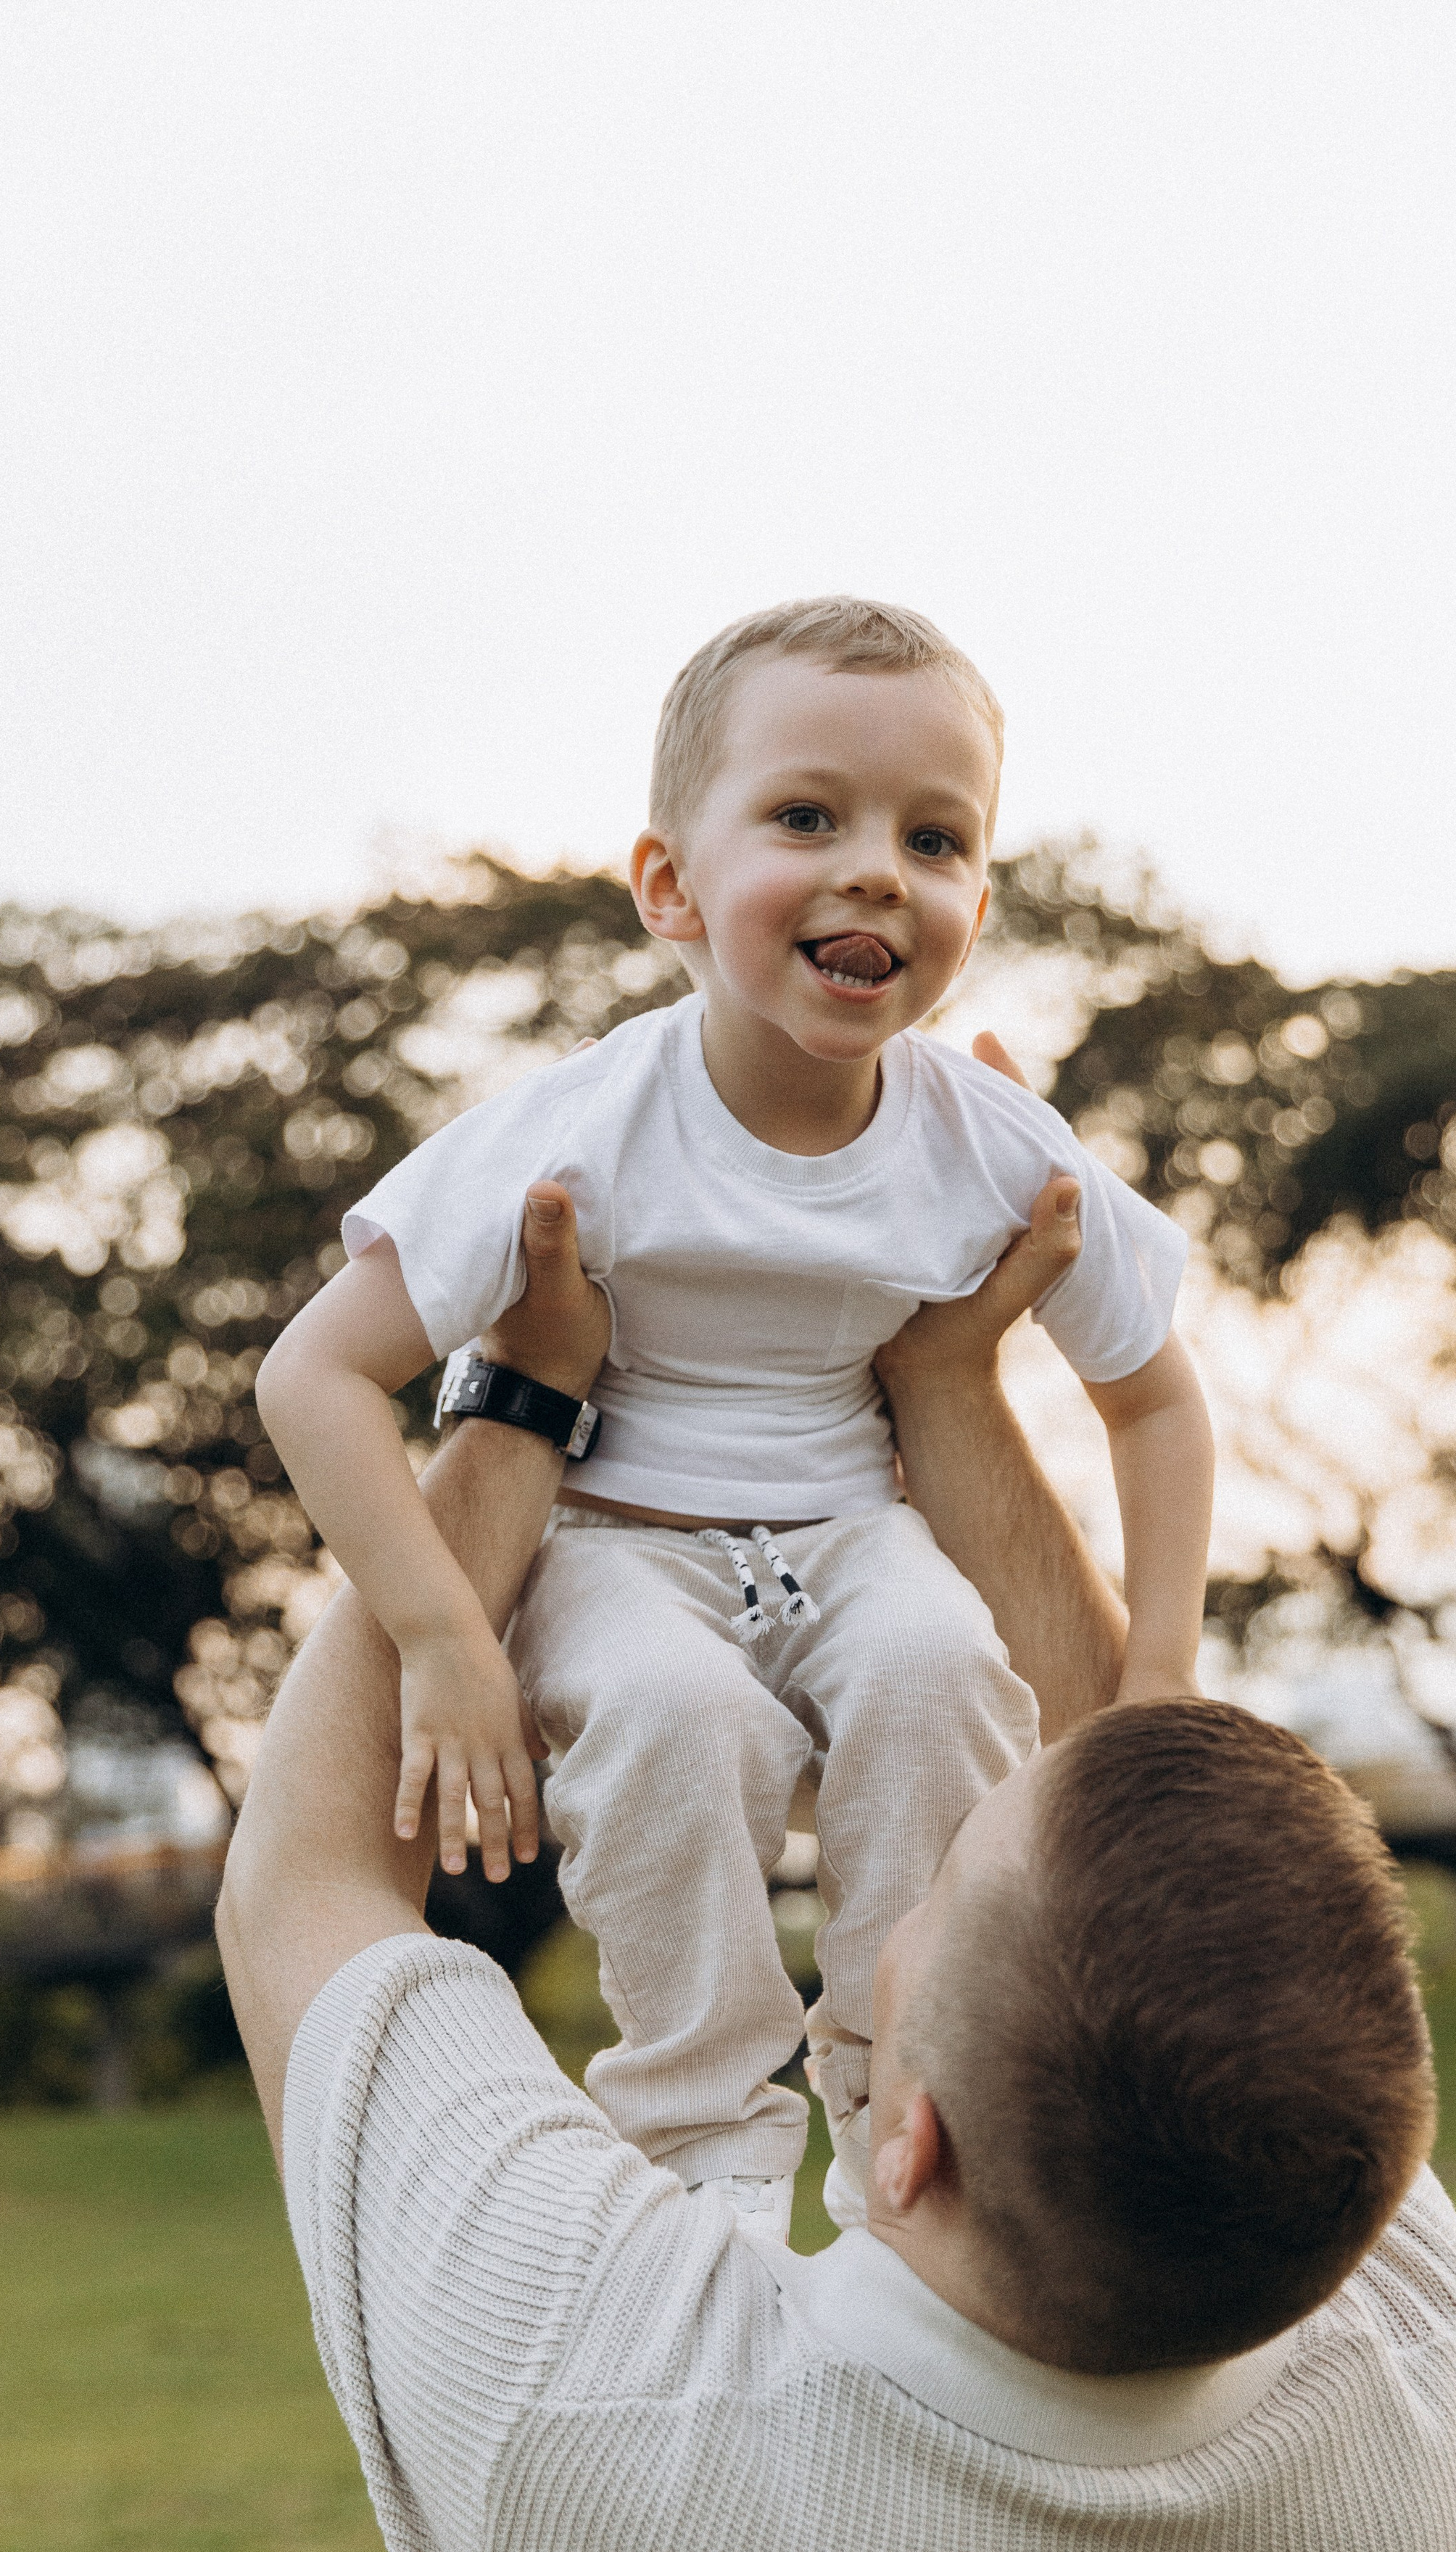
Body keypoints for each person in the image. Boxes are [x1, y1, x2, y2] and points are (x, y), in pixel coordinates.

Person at [218, 1186, 1456, 2552]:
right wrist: (946, 1386)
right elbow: (1153, 1833)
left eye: (935, 1891)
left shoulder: (599, 2391)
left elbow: (311, 1883)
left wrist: (524, 1394)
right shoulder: (1409, 2358)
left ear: (906, 2143)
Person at [254, 596, 1215, 2239]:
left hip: (856, 1534)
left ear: (973, 906)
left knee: (937, 1675)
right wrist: (442, 1640)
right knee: (669, 1713)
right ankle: (701, 2132)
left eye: (932, 838)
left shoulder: (980, 1139)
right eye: (804, 817)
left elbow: (1157, 1403)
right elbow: (312, 1375)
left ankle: (899, 2086)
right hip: (624, 1541)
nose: (871, 870)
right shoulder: (583, 1129)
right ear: (668, 888)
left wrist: (1162, 1689)